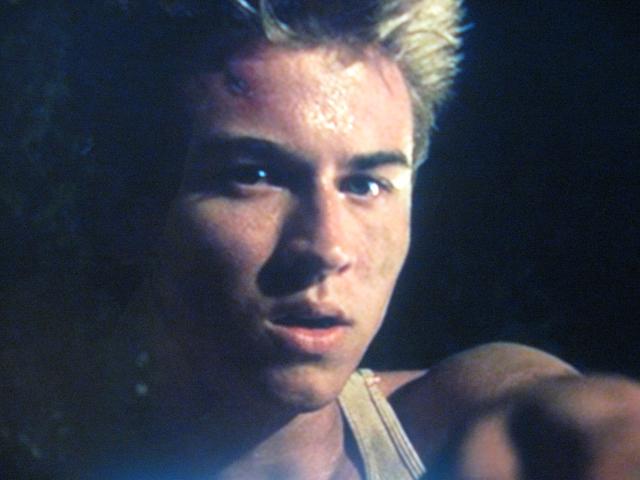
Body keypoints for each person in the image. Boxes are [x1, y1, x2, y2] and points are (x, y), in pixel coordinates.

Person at [3, 1, 639, 478]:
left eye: (365, 184)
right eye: (255, 176)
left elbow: (567, 415)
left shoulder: (442, 424)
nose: (327, 247)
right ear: (130, 207)